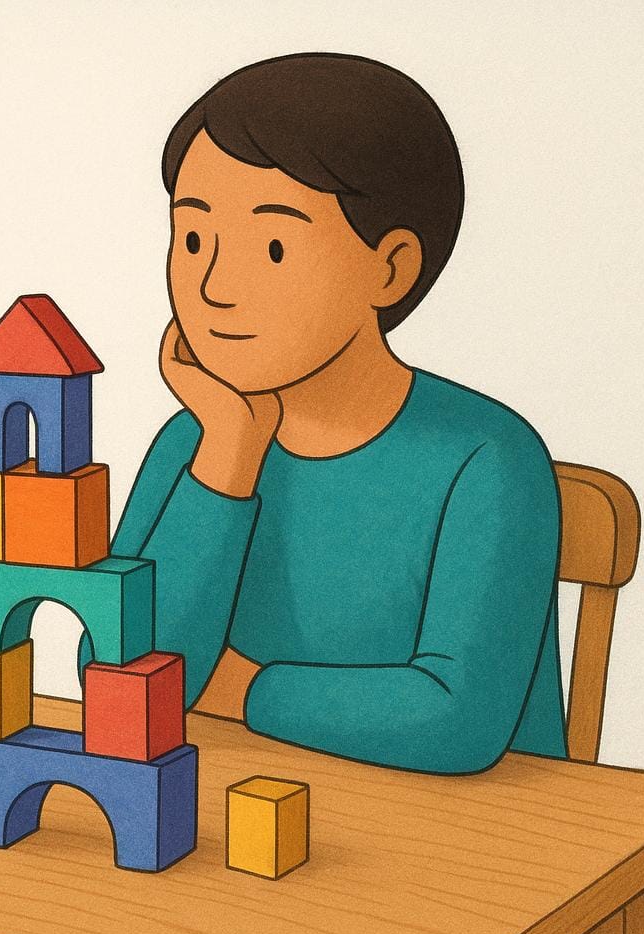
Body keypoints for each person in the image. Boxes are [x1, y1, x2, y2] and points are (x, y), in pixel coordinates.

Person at [79, 52, 566, 774]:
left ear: (390, 267)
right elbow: (114, 676)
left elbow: (454, 719)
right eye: (192, 239)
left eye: (272, 246)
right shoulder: (198, 438)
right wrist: (228, 460)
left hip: (470, 846)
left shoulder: (486, 457)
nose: (213, 285)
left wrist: (244, 690)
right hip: (236, 818)